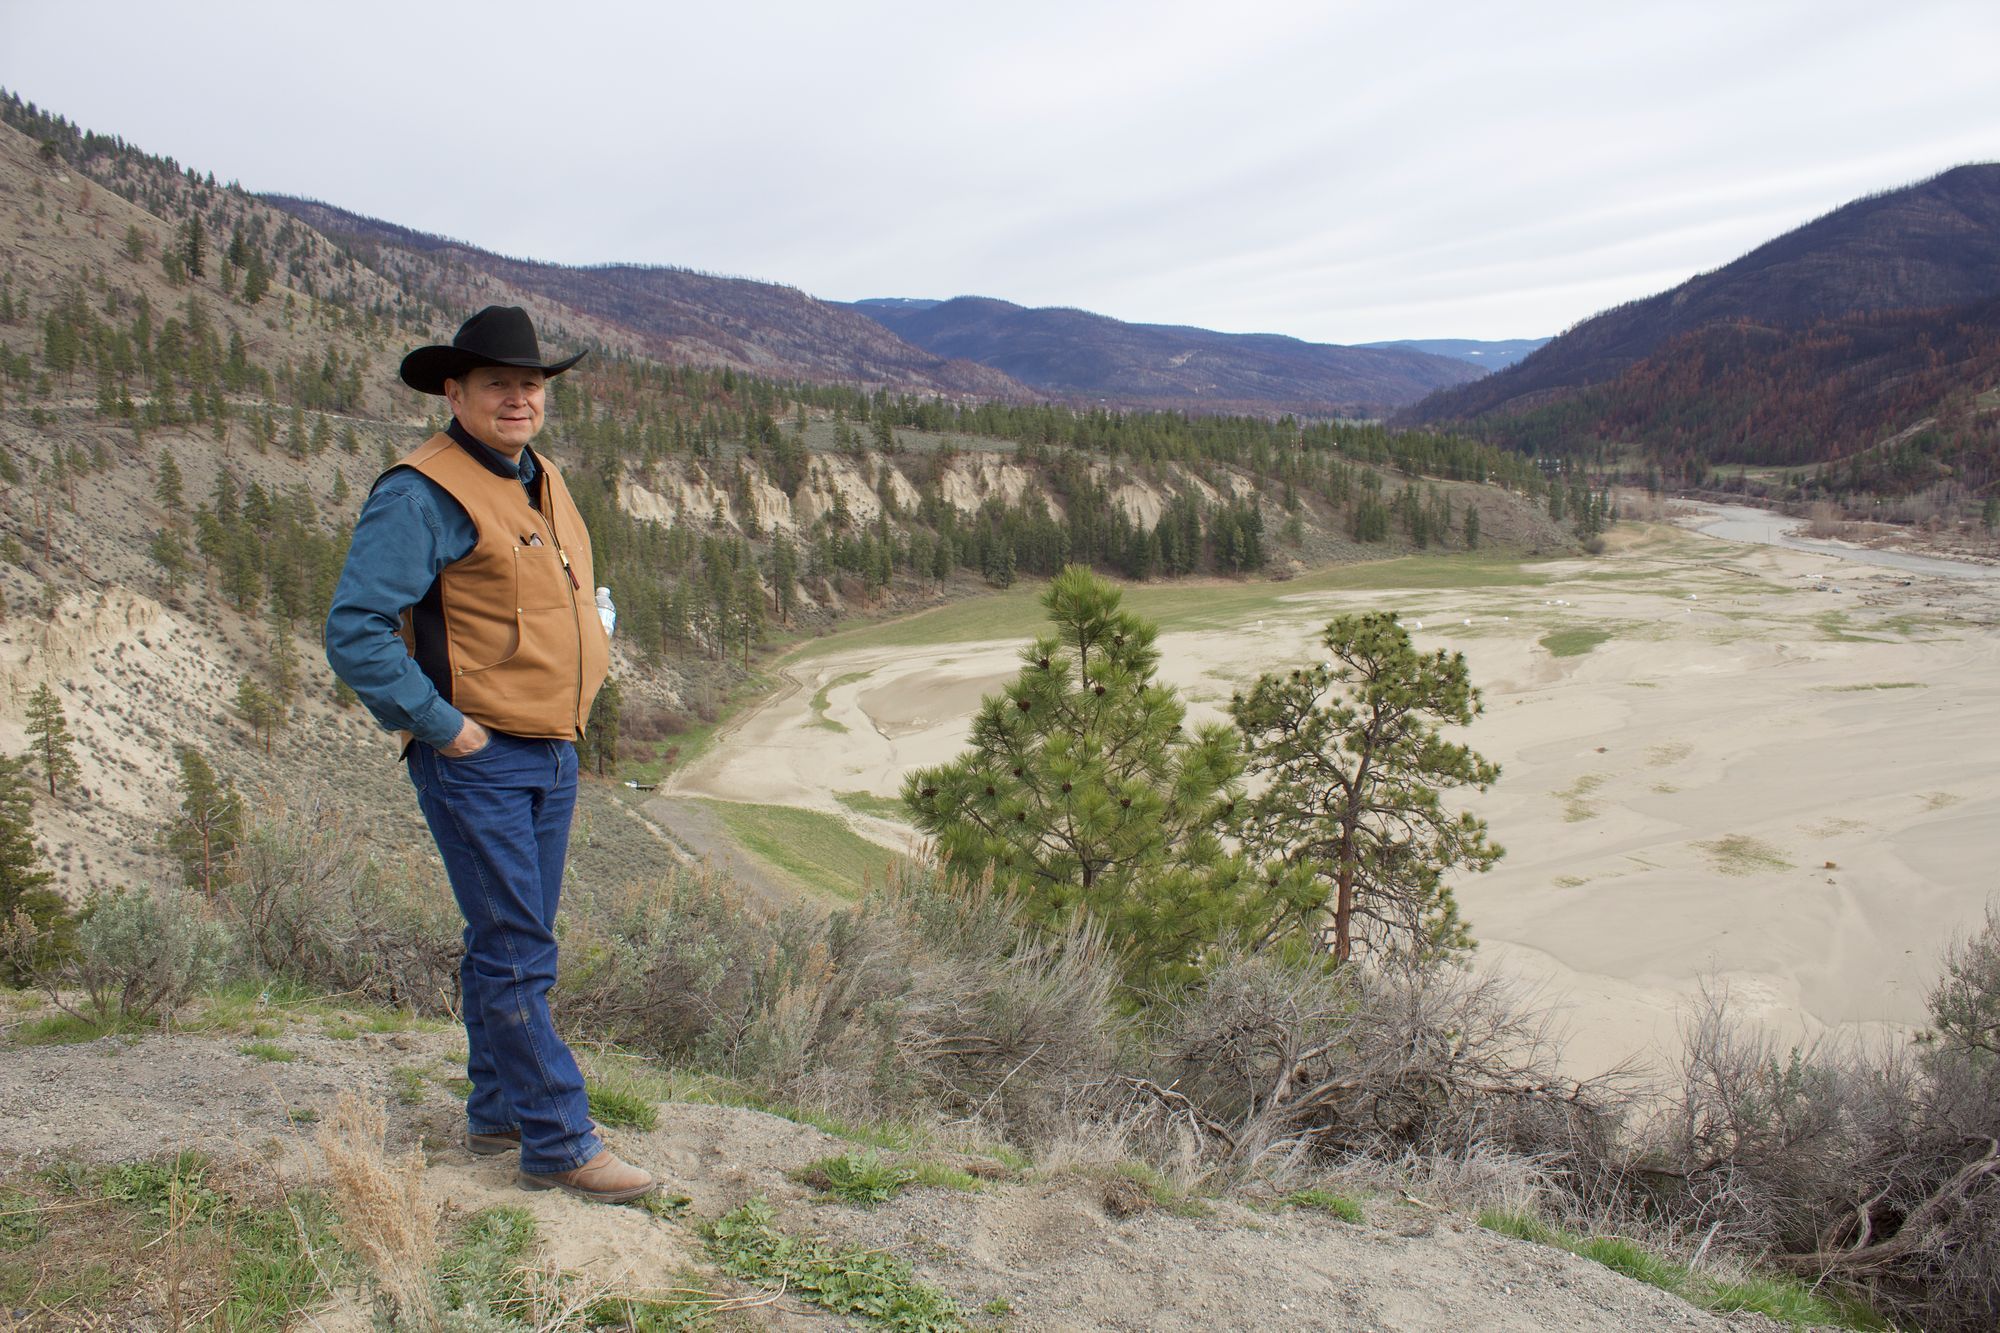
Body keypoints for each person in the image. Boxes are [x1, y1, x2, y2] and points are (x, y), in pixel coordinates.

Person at [324, 305, 654, 1203]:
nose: (519, 397)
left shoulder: (537, 475)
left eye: (532, 383)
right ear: (455, 390)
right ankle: (558, 1139)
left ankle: (497, 1112)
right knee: (517, 952)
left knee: (508, 943)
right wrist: (443, 727)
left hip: (550, 750)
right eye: (499, 383)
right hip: (481, 755)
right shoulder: (421, 491)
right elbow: (354, 631)